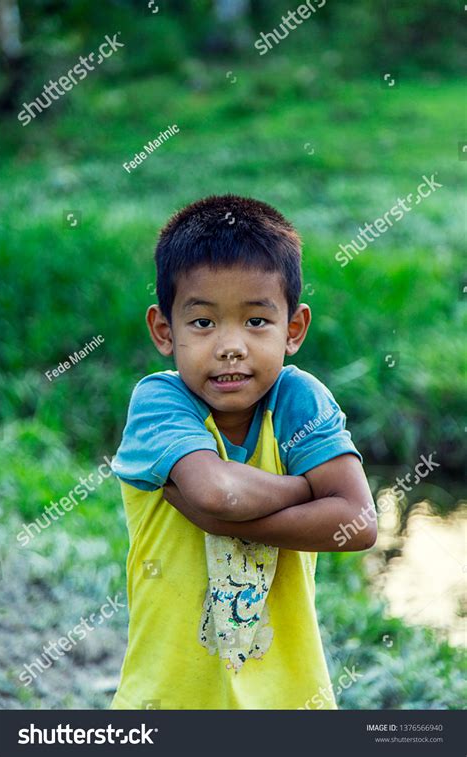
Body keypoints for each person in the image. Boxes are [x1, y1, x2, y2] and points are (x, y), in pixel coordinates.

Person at [110, 194, 376, 710]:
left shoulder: (300, 401)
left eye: (256, 322)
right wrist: (308, 491)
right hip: (170, 703)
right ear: (165, 330)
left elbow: (359, 523)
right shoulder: (160, 403)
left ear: (292, 329)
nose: (231, 346)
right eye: (204, 323)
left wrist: (236, 521)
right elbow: (216, 496)